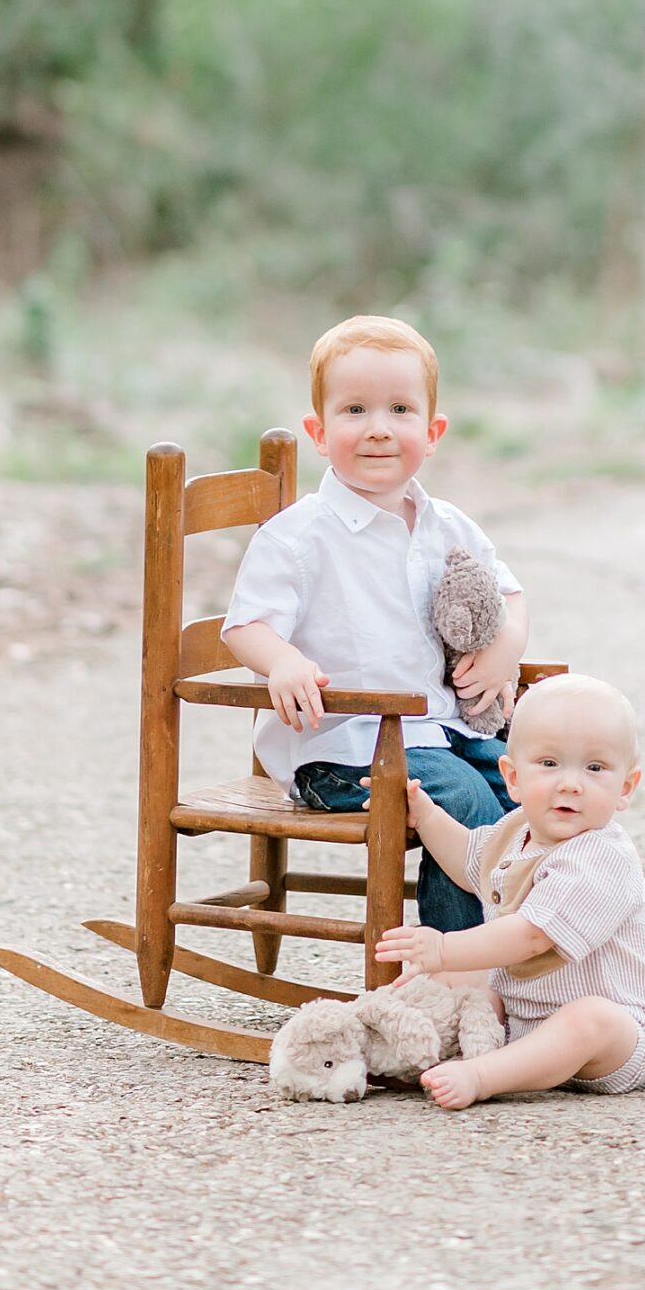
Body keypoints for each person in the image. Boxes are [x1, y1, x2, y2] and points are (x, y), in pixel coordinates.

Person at [222, 314, 529, 932]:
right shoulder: (300, 537)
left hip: (442, 733)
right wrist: (282, 660)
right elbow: (243, 625)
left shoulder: (447, 524)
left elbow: (510, 596)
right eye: (355, 410)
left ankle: (528, 961)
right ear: (319, 430)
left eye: (399, 410)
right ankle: (448, 974)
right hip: (343, 755)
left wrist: (505, 648)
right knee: (461, 799)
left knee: (530, 797)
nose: (379, 430)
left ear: (433, 431)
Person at [374, 672, 645, 1106]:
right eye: (549, 764)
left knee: (588, 1020)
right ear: (512, 778)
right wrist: (425, 817)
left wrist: (444, 946)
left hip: (620, 1039)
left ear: (625, 788)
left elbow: (532, 936)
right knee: (447, 978)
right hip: (526, 1018)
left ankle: (483, 1075)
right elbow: (468, 861)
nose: (570, 783)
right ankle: (390, 1039)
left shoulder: (601, 857)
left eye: (595, 768)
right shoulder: (516, 833)